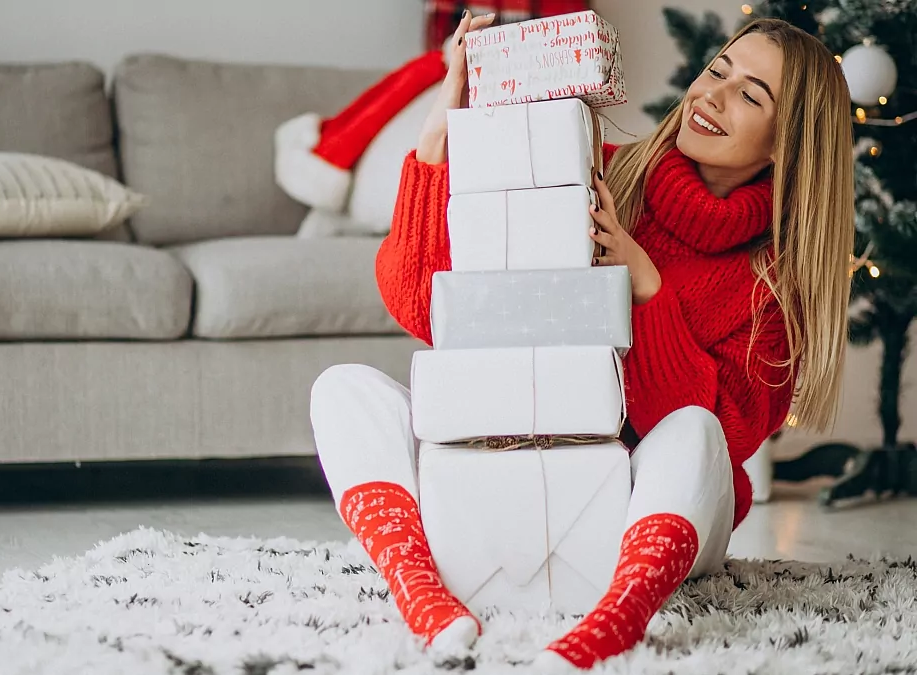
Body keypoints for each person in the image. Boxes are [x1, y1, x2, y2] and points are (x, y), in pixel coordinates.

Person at [308, 10, 855, 670]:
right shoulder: (595, 175)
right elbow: (426, 304)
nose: (711, 95)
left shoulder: (774, 287)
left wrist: (645, 287)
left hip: (640, 523)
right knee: (342, 390)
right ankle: (420, 589)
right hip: (522, 481)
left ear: (786, 143)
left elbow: (710, 438)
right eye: (717, 70)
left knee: (695, 432)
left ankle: (617, 621)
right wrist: (437, 135)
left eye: (749, 94)